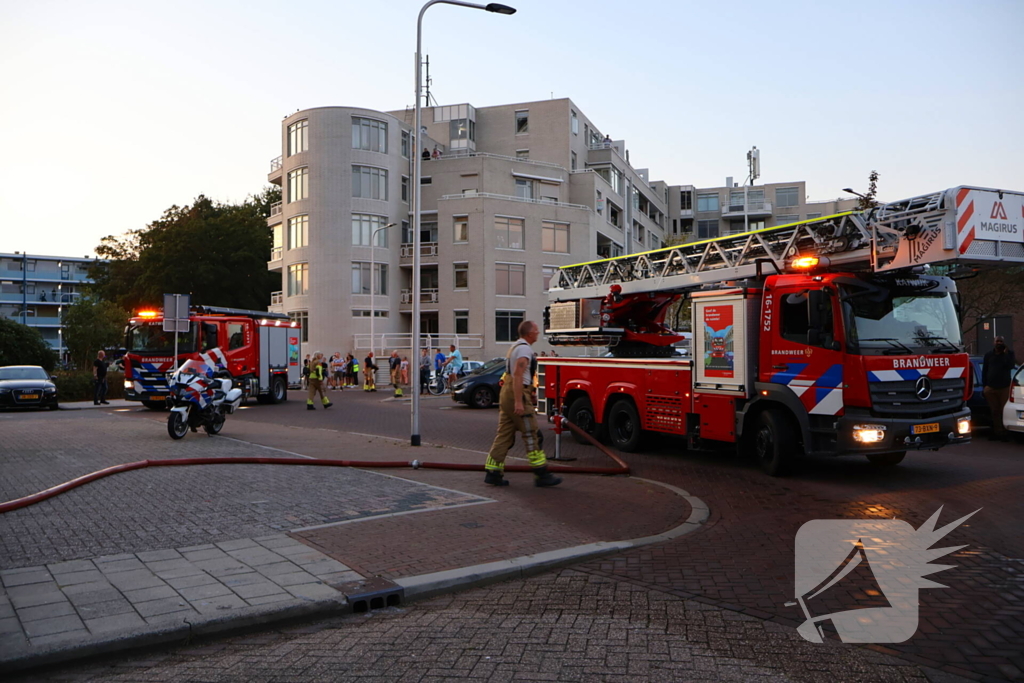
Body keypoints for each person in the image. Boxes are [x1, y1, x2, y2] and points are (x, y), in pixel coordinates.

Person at [483, 321, 561, 488]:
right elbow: (518, 375)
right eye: (536, 330)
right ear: (529, 333)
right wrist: (519, 401)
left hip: (507, 393)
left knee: (504, 434)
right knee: (531, 433)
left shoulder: (515, 347)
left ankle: (493, 472)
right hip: (517, 393)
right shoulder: (525, 349)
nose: (538, 332)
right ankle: (541, 473)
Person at [983, 336, 1017, 441]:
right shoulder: (988, 355)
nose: (999, 343)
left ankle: (1005, 433)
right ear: (994, 342)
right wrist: (985, 386)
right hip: (991, 388)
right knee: (994, 411)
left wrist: (1005, 354)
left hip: (1004, 388)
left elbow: (1011, 366)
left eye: (1001, 341)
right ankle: (997, 432)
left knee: (1004, 411)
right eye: (997, 341)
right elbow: (985, 370)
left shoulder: (1009, 354)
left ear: (1004, 342)